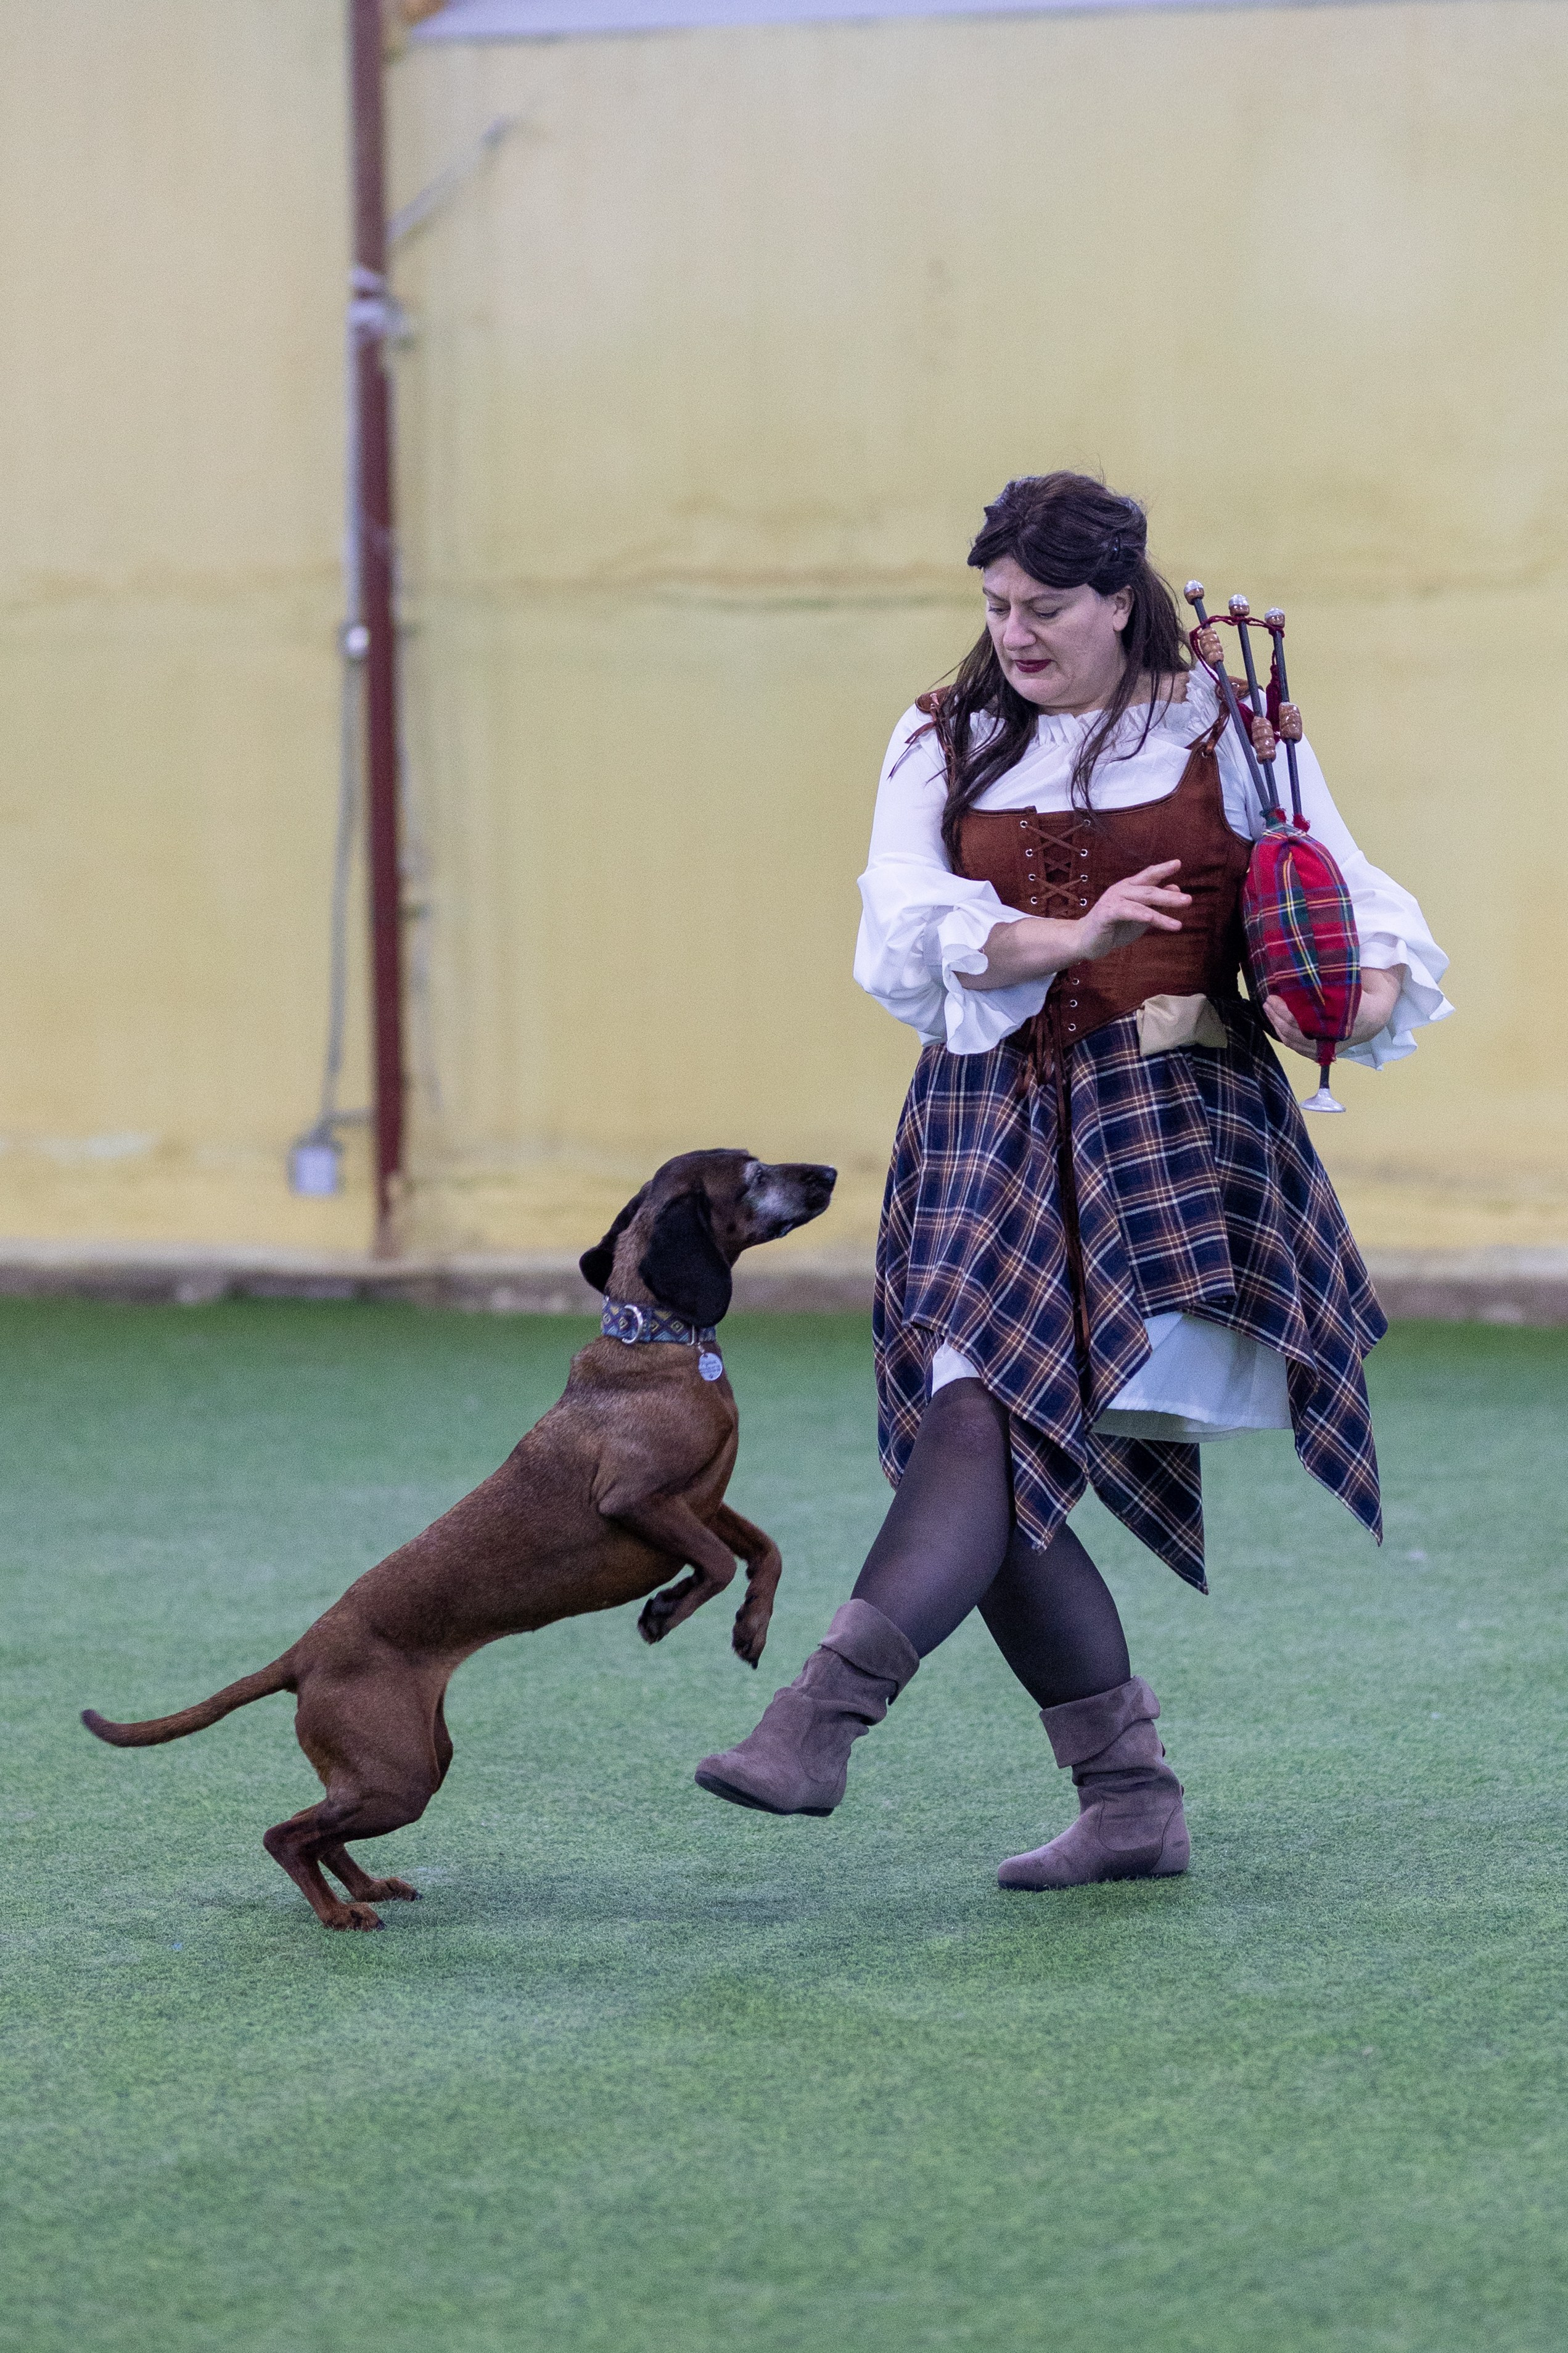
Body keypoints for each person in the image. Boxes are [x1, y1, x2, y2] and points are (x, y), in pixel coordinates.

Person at [695, 472, 1451, 1890]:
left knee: (990, 1426)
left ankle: (829, 1715)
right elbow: (905, 930)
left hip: (1168, 1125)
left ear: (1120, 599)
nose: (1016, 633)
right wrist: (1070, 932)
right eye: (995, 605)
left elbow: (1343, 901)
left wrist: (1341, 994)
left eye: (1046, 607)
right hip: (982, 1123)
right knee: (983, 1422)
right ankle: (1124, 1801)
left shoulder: (1222, 723)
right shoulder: (944, 733)